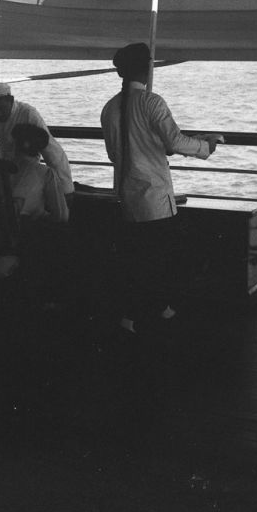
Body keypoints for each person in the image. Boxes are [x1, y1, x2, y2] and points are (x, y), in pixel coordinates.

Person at [100, 42, 222, 331]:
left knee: (136, 257)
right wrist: (208, 146)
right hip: (154, 196)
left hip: (126, 195)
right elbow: (175, 142)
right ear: (147, 68)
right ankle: (156, 314)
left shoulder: (109, 108)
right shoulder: (152, 103)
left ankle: (133, 316)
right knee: (158, 259)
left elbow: (116, 152)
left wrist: (154, 148)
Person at [0, 80, 75, 190]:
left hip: (27, 169)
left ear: (11, 100)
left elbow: (51, 150)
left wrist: (66, 187)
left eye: (1, 108)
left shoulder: (28, 113)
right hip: (2, 168)